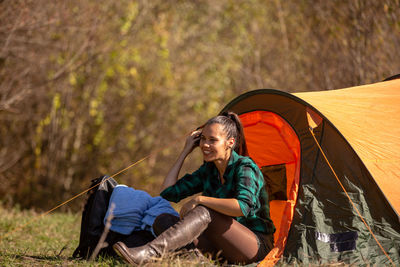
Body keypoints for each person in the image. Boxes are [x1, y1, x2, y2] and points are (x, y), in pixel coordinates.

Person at [113, 111, 276, 265]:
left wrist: (199, 200)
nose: (205, 144)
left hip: (254, 246)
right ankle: (200, 262)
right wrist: (185, 152)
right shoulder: (209, 170)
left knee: (205, 210)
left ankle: (150, 253)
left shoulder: (245, 167)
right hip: (220, 245)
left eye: (212, 140)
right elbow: (168, 192)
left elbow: (242, 207)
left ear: (230, 143)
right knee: (163, 220)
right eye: (203, 139)